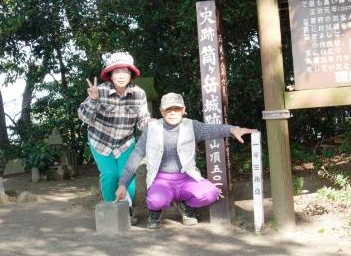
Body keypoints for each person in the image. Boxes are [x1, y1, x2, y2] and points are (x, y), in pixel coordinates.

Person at [115, 92, 257, 229]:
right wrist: (123, 184)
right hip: (161, 180)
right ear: (161, 111)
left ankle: (187, 207)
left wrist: (233, 130)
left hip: (186, 178)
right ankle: (155, 212)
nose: (172, 112)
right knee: (155, 199)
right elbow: (136, 156)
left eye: (176, 108)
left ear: (183, 110)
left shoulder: (191, 126)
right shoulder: (152, 129)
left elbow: (212, 129)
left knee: (210, 193)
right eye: (168, 109)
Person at [78, 51, 150, 225]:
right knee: (110, 174)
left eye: (125, 71)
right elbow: (84, 117)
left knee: (127, 174)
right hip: (100, 141)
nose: (121, 75)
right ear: (110, 74)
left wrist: (151, 124)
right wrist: (93, 100)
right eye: (116, 72)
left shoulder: (139, 93)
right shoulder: (99, 91)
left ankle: (127, 209)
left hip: (125, 142)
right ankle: (111, 209)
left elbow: (142, 120)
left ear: (131, 74)